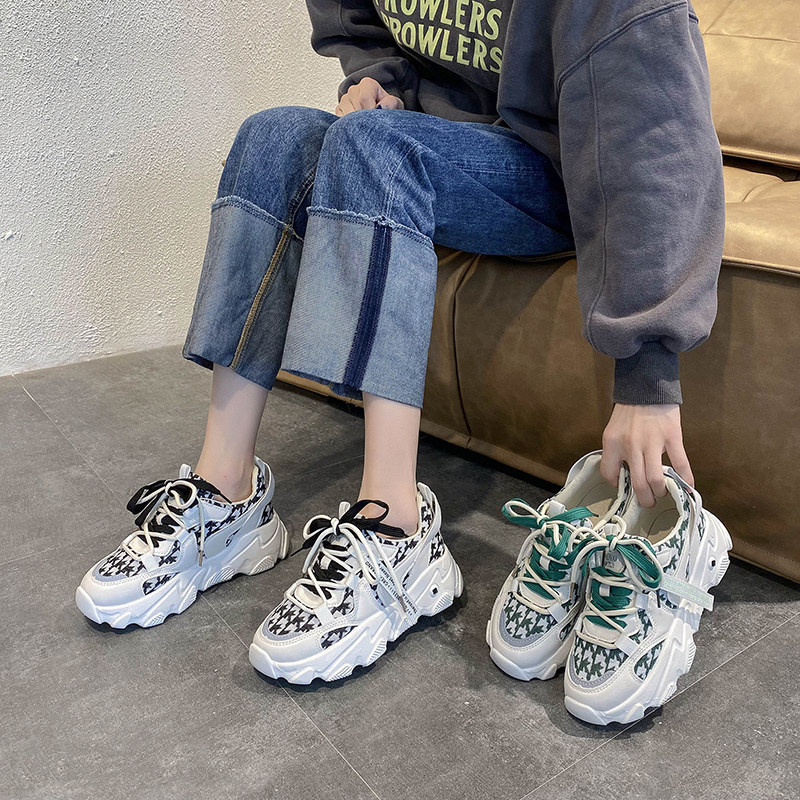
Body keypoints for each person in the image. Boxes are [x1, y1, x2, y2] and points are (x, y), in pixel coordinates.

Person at [75, 0, 726, 705]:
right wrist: (378, 76)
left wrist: (648, 371)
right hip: (441, 140)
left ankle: (397, 529)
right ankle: (226, 495)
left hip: (555, 163)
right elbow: (358, 23)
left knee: (375, 148)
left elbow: (654, 136)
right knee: (273, 137)